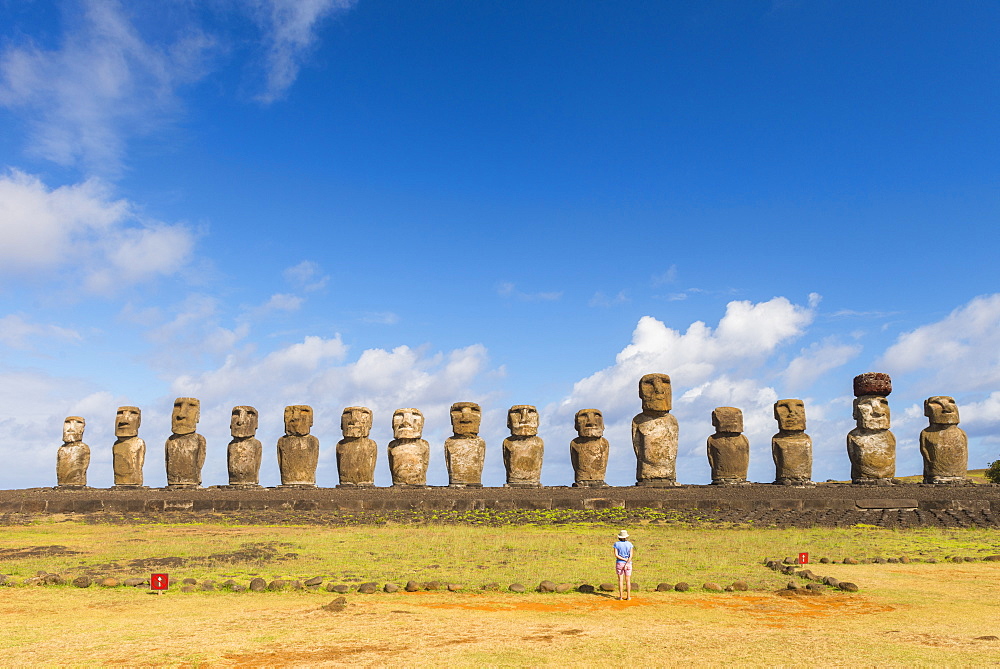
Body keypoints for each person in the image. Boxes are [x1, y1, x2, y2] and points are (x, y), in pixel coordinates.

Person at [613, 529, 634, 600]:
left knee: (620, 580)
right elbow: (631, 556)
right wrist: (627, 561)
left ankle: (621, 596)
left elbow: (616, 555)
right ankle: (628, 596)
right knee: (628, 580)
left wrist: (623, 560)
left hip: (619, 563)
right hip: (628, 563)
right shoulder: (630, 544)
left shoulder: (616, 544)